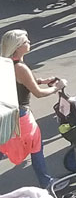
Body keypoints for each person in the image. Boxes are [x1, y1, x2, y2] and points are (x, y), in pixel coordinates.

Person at [0, 30, 63, 186]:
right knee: (36, 145)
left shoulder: (6, 62)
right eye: (25, 41)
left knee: (5, 143)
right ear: (17, 47)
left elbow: (23, 82)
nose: (29, 42)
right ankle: (46, 182)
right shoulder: (20, 68)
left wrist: (42, 80)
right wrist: (57, 87)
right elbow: (38, 94)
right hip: (20, 114)